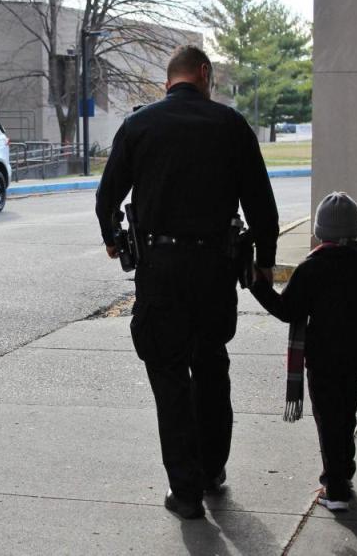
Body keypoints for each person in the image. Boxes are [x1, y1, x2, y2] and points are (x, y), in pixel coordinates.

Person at [95, 45, 280, 519]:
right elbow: (262, 205)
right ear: (204, 74)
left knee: (169, 376)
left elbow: (107, 195)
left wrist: (114, 238)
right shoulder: (232, 126)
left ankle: (186, 492)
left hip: (161, 270)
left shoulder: (139, 125)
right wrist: (264, 261)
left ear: (170, 80)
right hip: (216, 269)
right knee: (212, 364)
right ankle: (213, 470)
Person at [250, 192, 357, 511]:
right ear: (355, 229)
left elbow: (287, 310)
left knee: (328, 419)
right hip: (356, 358)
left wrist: (258, 286)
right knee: (345, 416)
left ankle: (334, 491)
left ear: (320, 231)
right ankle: (342, 474)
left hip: (322, 359)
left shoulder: (312, 268)